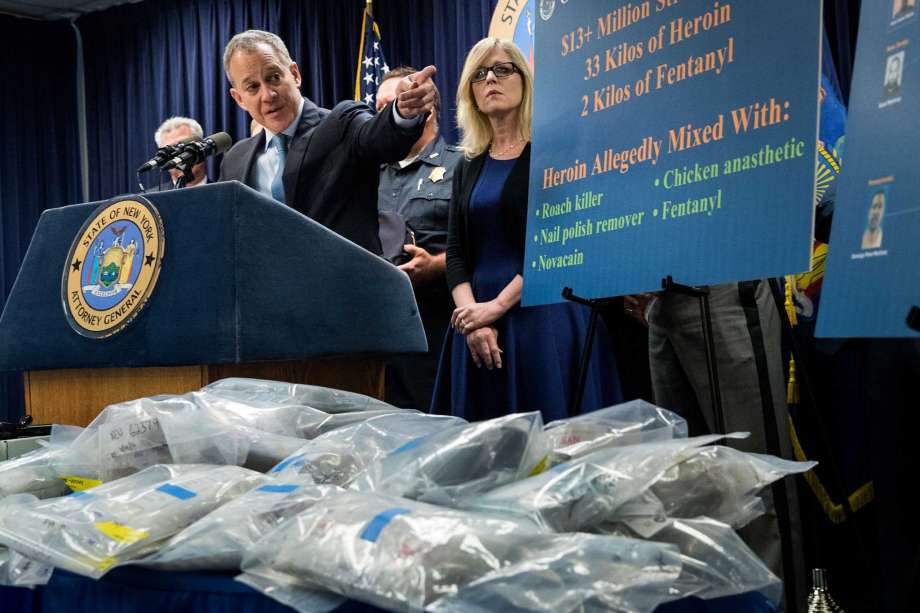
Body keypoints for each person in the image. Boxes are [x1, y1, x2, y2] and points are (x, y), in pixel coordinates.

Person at [431, 38, 622, 422]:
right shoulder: (468, 163)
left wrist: (496, 308)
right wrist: (472, 317)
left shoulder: (553, 155)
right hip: (476, 324)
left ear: (524, 79)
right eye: (480, 74)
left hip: (541, 317)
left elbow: (555, 246)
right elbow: (456, 253)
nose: (491, 80)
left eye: (503, 69)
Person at [218, 30, 437, 254]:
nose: (268, 95)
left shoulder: (342, 123)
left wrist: (402, 112)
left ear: (295, 74)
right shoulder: (235, 161)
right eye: (252, 87)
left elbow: (379, 136)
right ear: (239, 98)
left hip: (344, 284)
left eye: (274, 77)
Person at [375, 67, 461, 410]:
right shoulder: (367, 175)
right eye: (378, 108)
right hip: (381, 341)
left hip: (441, 335)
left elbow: (488, 247)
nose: (382, 117)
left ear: (426, 107)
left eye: (391, 105)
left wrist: (437, 266)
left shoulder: (462, 165)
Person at [149, 116, 208, 190]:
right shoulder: (147, 200)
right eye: (171, 149)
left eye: (185, 146)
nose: (179, 154)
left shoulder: (224, 192)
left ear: (202, 148)